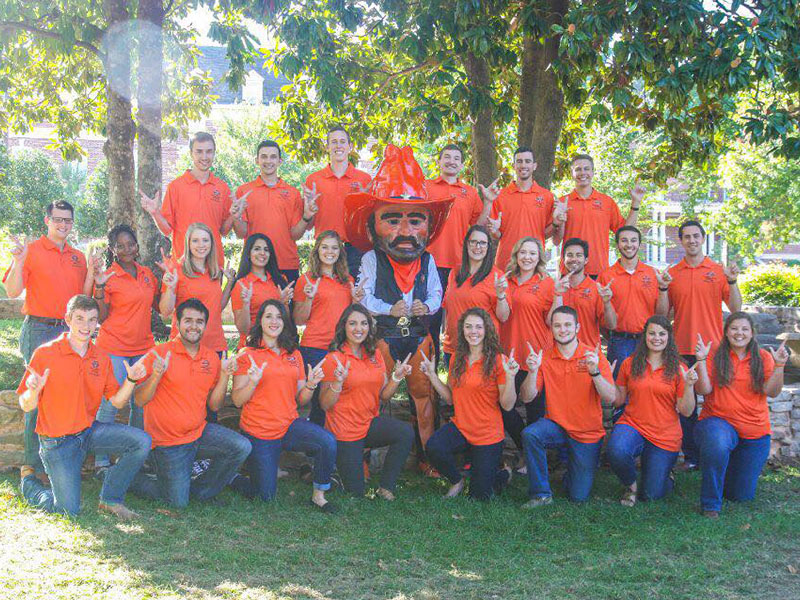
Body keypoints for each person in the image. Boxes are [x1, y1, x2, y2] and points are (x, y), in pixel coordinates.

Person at [346, 144, 452, 475]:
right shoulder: (369, 259)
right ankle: (361, 457)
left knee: (424, 395)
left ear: (428, 225)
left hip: (418, 334)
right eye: (392, 220)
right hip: (382, 335)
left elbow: (437, 293)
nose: (405, 232)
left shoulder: (429, 260)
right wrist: (388, 308)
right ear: (372, 224)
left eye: (414, 220)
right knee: (374, 395)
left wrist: (428, 304)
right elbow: (363, 299)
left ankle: (426, 457)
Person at [17, 295, 151, 519]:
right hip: (57, 442)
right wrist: (34, 390)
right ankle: (30, 484)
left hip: (88, 432)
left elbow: (117, 401)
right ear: (68, 319)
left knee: (141, 442)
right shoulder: (45, 353)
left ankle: (110, 499)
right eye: (79, 318)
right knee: (67, 511)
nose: (86, 326)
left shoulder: (101, 357)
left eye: (92, 320)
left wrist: (131, 380)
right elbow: (25, 405)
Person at [130, 299, 251, 508]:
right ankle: (132, 479)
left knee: (241, 446)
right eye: (188, 320)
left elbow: (214, 407)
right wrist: (157, 375)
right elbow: (139, 399)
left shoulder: (211, 358)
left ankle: (203, 491)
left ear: (205, 325)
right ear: (177, 323)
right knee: (176, 503)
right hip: (167, 443)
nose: (194, 326)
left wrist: (224, 376)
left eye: (199, 321)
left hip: (198, 433)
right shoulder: (159, 354)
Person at [4, 200, 94, 478]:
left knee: (68, 397)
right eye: (58, 219)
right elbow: (12, 290)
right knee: (37, 393)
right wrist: (18, 261)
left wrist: (93, 272)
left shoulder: (78, 256)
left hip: (70, 333)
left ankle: (62, 463)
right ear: (47, 220)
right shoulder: (31, 252)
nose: (63, 224)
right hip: (40, 330)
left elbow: (84, 298)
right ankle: (32, 465)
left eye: (68, 220)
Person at [229, 300, 337, 512]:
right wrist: (253, 382)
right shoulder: (248, 354)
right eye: (268, 316)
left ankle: (318, 495)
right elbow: (237, 401)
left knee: (327, 441)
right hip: (260, 431)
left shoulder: (293, 354)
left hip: (288, 426)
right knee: (265, 496)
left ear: (285, 322)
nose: (274, 321)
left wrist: (311, 385)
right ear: (260, 321)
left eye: (279, 317)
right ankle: (233, 478)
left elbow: (301, 399)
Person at [662, 219, 742, 470]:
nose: (691, 240)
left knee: (714, 404)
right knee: (686, 407)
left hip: (713, 350)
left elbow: (737, 310)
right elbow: (664, 315)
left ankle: (715, 453)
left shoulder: (718, 271)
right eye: (686, 236)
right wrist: (663, 288)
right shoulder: (673, 273)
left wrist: (732, 282)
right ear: (680, 241)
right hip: (682, 350)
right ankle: (692, 456)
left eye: (696, 236)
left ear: (703, 238)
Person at [693, 312, 788, 518]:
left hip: (754, 432)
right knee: (717, 441)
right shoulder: (716, 354)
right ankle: (711, 505)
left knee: (740, 495)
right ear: (726, 332)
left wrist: (779, 366)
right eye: (734, 328)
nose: (739, 333)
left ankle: (724, 472)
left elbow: (772, 391)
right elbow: (704, 390)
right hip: (717, 423)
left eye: (745, 329)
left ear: (752, 333)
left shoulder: (762, 357)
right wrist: (700, 360)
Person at [519, 306, 615, 505]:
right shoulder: (544, 356)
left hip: (586, 432)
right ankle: (541, 493)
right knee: (530, 434)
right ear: (552, 329)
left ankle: (570, 471)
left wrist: (595, 372)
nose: (563, 330)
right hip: (557, 425)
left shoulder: (592, 356)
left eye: (567, 325)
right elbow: (527, 397)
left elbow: (610, 397)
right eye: (557, 325)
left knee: (577, 496)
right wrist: (532, 371)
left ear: (577, 327)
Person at [319, 304, 415, 499]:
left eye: (363, 323)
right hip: (345, 431)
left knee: (405, 433)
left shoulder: (375, 354)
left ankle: (386, 487)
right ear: (344, 327)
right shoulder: (334, 358)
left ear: (369, 328)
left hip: (368, 423)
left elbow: (384, 396)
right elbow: (325, 405)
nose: (358, 328)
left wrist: (397, 377)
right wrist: (338, 382)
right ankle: (334, 476)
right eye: (353, 323)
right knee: (355, 494)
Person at [422, 308, 516, 500]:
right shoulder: (457, 358)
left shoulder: (498, 360)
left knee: (480, 497)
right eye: (468, 327)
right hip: (462, 426)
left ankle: (504, 474)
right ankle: (457, 480)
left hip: (487, 434)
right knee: (433, 447)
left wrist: (511, 377)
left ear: (487, 330)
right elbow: (450, 398)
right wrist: (432, 376)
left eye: (478, 327)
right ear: (462, 330)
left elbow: (507, 405)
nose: (473, 331)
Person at [607, 316, 697, 506]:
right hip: (633, 424)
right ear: (645, 336)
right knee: (616, 450)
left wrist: (689, 386)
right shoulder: (630, 363)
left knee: (651, 495)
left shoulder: (679, 368)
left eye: (662, 334)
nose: (657, 338)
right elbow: (618, 400)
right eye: (652, 333)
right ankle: (630, 487)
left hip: (664, 433)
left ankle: (667, 475)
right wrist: (605, 378)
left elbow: (686, 412)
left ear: (669, 337)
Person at [92, 224, 159, 471]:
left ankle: (133, 456)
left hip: (143, 348)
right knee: (110, 404)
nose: (127, 249)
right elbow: (101, 317)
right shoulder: (109, 276)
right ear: (113, 249)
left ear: (137, 245)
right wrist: (99, 287)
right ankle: (101, 461)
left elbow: (161, 306)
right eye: (121, 245)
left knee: (140, 404)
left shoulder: (146, 274)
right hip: (114, 348)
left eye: (131, 244)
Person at [425, 143, 491, 360]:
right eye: (447, 157)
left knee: (460, 320)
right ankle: (429, 385)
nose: (451, 161)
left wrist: (488, 203)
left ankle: (458, 370)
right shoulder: (425, 188)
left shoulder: (470, 193)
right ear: (439, 161)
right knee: (430, 321)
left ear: (462, 165)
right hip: (429, 264)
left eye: (456, 158)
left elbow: (477, 228)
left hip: (460, 266)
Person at [293, 230, 363, 425]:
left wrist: (357, 302)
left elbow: (353, 318)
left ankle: (335, 443)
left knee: (336, 401)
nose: (329, 252)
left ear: (340, 252)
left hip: (340, 348)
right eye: (325, 247)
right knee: (318, 404)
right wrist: (308, 298)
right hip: (314, 348)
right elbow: (299, 319)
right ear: (317, 251)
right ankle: (316, 448)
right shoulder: (306, 280)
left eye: (334, 247)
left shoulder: (347, 281)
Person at [140, 131, 236, 267]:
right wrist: (155, 213)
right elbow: (167, 230)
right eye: (199, 151)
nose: (204, 156)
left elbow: (224, 231)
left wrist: (233, 215)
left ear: (214, 153)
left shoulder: (222, 188)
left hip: (213, 265)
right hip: (183, 265)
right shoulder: (176, 186)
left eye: (209, 151)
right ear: (191, 153)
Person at [232, 140, 316, 284]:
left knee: (286, 307)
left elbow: (295, 234)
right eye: (264, 156)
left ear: (280, 161)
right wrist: (236, 217)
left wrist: (306, 217)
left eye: (273, 157)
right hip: (254, 265)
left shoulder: (293, 193)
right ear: (257, 160)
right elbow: (241, 233)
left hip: (286, 264)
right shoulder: (244, 191)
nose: (268, 161)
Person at [500, 236, 555, 452]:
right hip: (508, 354)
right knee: (504, 406)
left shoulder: (546, 283)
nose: (527, 257)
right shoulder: (505, 280)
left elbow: (552, 321)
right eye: (523, 252)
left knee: (534, 410)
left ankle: (532, 458)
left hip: (535, 355)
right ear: (516, 254)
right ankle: (525, 449)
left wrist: (558, 296)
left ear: (539, 257)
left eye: (532, 253)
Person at [552, 154, 645, 277]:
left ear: (593, 172)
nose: (582, 172)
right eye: (578, 169)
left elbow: (626, 231)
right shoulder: (563, 202)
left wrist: (636, 203)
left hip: (599, 272)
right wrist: (559, 221)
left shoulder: (607, 202)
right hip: (570, 271)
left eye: (586, 169)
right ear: (572, 173)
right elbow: (556, 241)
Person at [598, 226, 669, 379]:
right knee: (620, 390)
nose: (629, 244)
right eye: (624, 240)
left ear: (639, 244)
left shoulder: (653, 274)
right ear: (617, 244)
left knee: (648, 387)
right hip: (619, 341)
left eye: (633, 240)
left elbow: (662, 315)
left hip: (649, 341)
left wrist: (663, 289)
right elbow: (601, 319)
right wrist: (613, 335)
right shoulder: (606, 276)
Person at [304, 126, 373, 277]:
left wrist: (366, 204)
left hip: (355, 249)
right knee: (324, 295)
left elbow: (371, 223)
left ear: (350, 147)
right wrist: (308, 213)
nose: (338, 145)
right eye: (333, 142)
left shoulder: (364, 180)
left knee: (355, 297)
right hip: (325, 249)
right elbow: (308, 225)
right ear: (327, 147)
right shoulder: (313, 180)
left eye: (342, 141)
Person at [159, 222, 233, 357]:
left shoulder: (214, 271)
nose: (201, 245)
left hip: (214, 344)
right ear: (188, 244)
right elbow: (165, 311)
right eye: (195, 240)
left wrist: (230, 283)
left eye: (205, 240)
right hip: (185, 345)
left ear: (211, 243)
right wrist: (170, 288)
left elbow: (216, 307)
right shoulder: (176, 270)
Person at [441, 225, 510, 366]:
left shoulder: (496, 276)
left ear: (488, 246)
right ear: (466, 244)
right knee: (453, 389)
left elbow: (503, 317)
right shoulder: (455, 273)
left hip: (481, 351)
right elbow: (448, 308)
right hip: (453, 347)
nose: (477, 246)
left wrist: (501, 295)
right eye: (473, 241)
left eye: (482, 243)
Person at [482, 146, 555, 270]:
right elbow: (497, 233)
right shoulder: (501, 196)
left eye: (527, 161)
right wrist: (494, 230)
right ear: (514, 165)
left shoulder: (547, 197)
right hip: (506, 261)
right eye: (519, 161)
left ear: (534, 166)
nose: (523, 165)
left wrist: (558, 222)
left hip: (534, 263)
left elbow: (547, 232)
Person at [553, 238, 617, 348]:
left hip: (588, 354)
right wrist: (556, 293)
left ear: (586, 260)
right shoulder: (553, 287)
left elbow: (611, 325)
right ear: (563, 259)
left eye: (578, 255)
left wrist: (607, 303)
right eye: (570, 255)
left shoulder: (596, 289)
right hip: (558, 355)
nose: (574, 259)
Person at [231, 233, 292, 349]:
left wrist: (284, 302)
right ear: (248, 253)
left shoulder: (280, 280)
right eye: (257, 249)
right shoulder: (241, 284)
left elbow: (286, 322)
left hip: (277, 347)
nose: (262, 253)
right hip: (252, 347)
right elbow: (242, 329)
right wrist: (246, 303)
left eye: (266, 250)